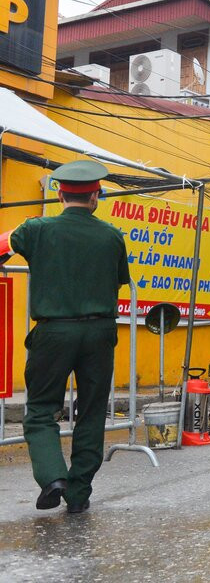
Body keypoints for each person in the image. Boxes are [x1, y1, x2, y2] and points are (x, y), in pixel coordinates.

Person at [0, 160, 130, 514]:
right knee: (90, 412)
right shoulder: (112, 236)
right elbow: (120, 279)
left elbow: (0, 248)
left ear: (59, 194)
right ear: (95, 196)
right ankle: (78, 493)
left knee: (41, 409)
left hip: (53, 333)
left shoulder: (35, 229)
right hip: (100, 333)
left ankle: (52, 476)